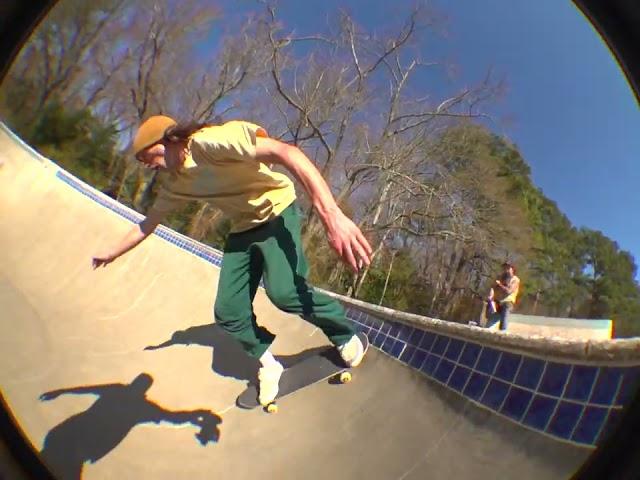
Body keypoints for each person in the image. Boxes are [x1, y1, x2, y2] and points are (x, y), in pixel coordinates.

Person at [91, 115, 373, 406]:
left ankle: (344, 335)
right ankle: (270, 365)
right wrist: (112, 252)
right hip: (243, 229)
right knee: (228, 311)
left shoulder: (209, 142)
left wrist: (331, 215)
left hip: (276, 212)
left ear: (168, 140)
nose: (148, 166)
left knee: (285, 292)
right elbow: (145, 225)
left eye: (148, 157)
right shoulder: (175, 185)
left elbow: (287, 153)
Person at [487, 261, 520, 330]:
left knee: (503, 321)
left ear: (512, 269)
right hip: (497, 302)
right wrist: (491, 295)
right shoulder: (500, 278)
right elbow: (492, 287)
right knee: (491, 321)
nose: (506, 270)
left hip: (507, 303)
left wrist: (500, 285)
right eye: (504, 268)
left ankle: (502, 334)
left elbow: (509, 291)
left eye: (508, 268)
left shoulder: (515, 280)